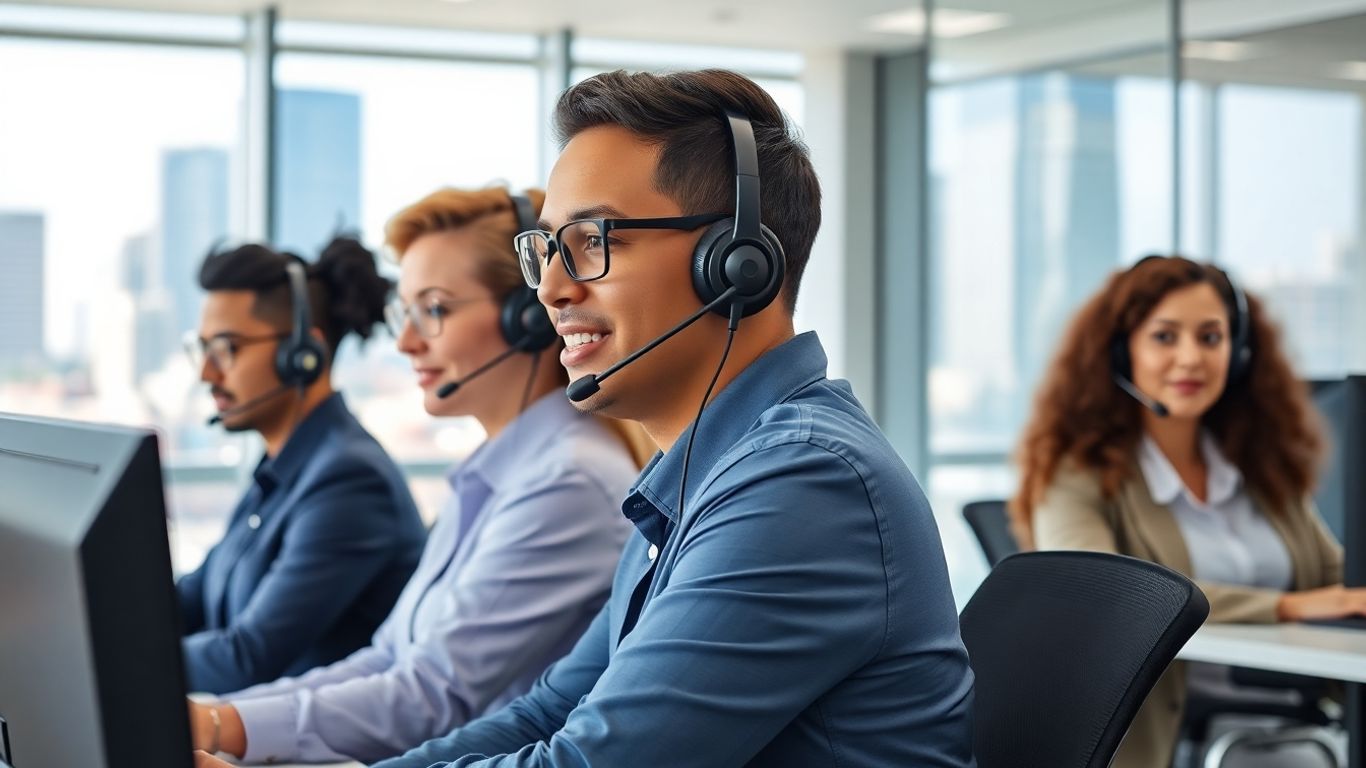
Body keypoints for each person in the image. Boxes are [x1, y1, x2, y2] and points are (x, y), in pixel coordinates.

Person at [366, 68, 974, 768]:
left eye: (594, 240)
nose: (555, 290)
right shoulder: (696, 473)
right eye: (548, 250)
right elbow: (549, 711)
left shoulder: (803, 482)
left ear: (736, 264)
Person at [186, 188, 649, 765]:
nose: (406, 342)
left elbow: (431, 693)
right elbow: (386, 658)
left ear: (528, 318)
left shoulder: (569, 482)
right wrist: (214, 720)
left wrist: (220, 726)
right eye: (406, 313)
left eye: (434, 310)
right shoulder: (492, 475)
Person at [1011, 254, 1355, 768]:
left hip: (1293, 731)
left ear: (1238, 355)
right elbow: (1111, 602)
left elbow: (1335, 583)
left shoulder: (1259, 468)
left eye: (1211, 337)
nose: (1192, 358)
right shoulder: (1075, 474)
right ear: (1121, 354)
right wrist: (1284, 607)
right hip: (1162, 741)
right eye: (1165, 337)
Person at [179, 238, 426, 695]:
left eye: (227, 348)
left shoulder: (349, 481)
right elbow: (193, 597)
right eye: (203, 349)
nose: (207, 374)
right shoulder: (280, 470)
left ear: (302, 354)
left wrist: (105, 660)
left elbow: (248, 658)